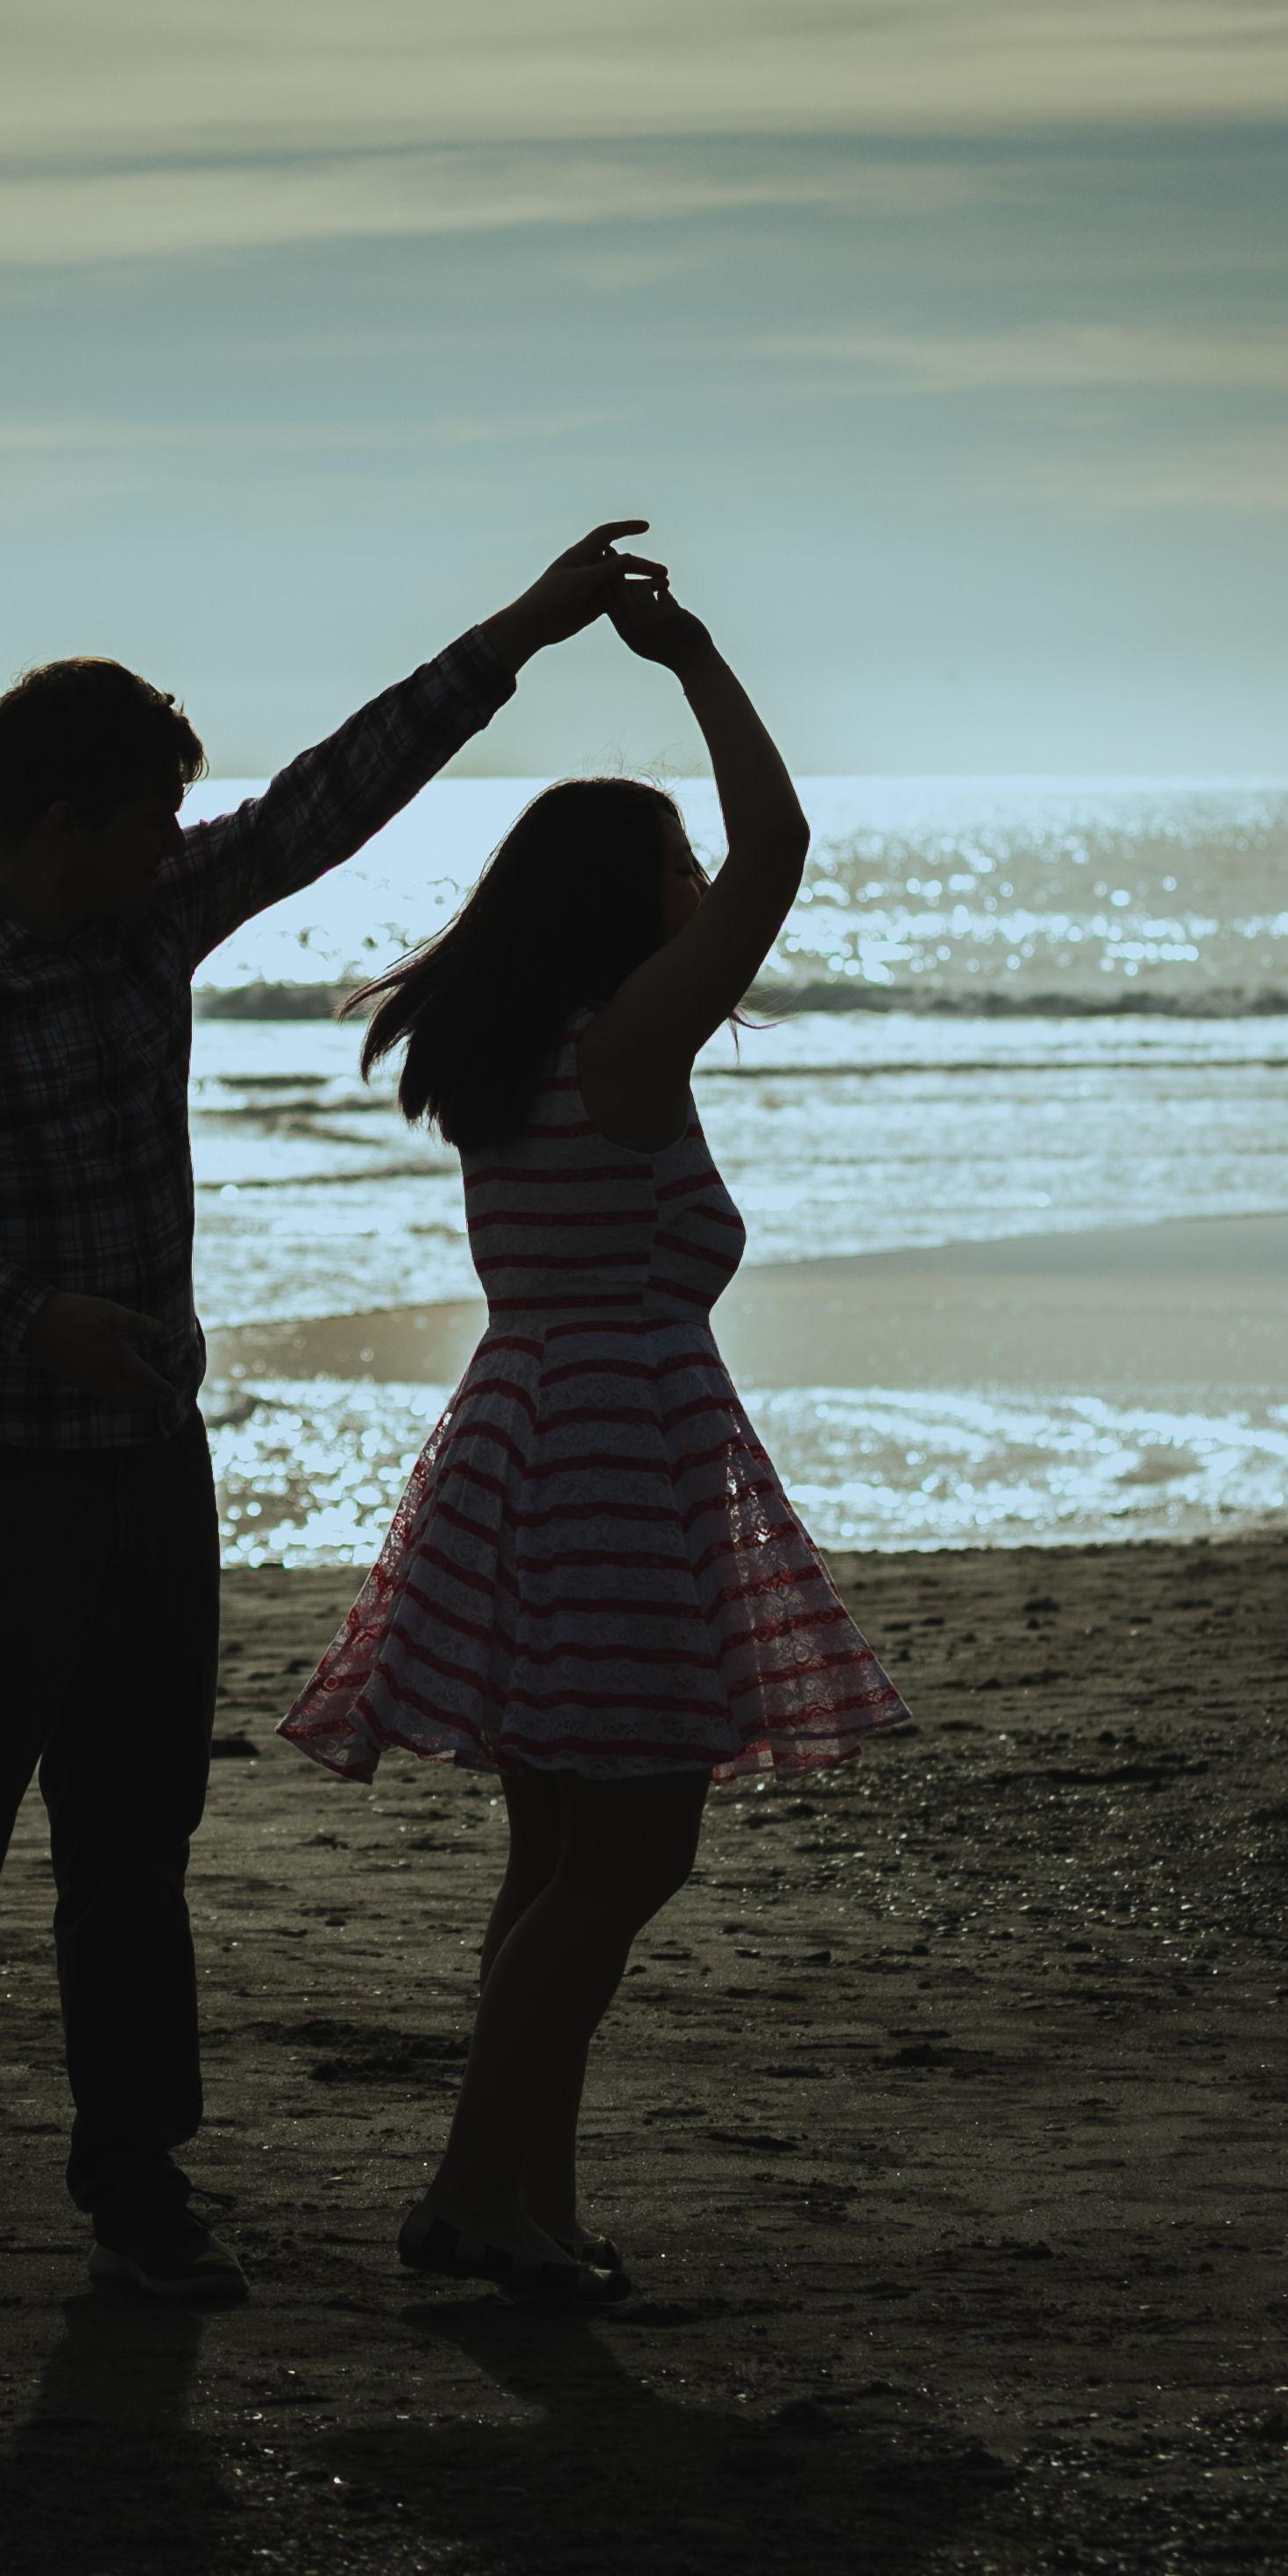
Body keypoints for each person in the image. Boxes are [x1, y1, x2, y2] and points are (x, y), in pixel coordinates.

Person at [0, 522, 670, 2313]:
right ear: (60, 823)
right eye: (145, 823)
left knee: (134, 1853)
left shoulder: (149, 927)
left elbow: (337, 795)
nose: (178, 850)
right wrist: (28, 1314)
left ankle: (138, 2192)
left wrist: (531, 624)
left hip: (142, 1485)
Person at [278, 563, 908, 2304]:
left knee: (557, 1861)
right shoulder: (626, 1041)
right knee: (630, 1855)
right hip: (616, 1459)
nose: (702, 889)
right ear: (621, 902)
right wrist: (697, 658)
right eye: (672, 873)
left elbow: (744, 880)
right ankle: (480, 2200)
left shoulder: (519, 1046)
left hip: (526, 1441)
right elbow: (778, 858)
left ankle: (515, 2207)